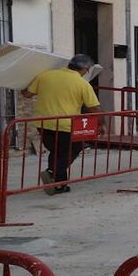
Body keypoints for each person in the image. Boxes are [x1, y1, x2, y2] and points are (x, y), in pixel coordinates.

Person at [23, 54, 101, 195]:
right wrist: (102, 123)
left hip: (43, 123)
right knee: (72, 149)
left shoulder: (45, 76)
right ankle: (52, 173)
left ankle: (60, 185)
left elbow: (27, 94)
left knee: (56, 150)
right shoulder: (82, 83)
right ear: (85, 69)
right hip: (65, 124)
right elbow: (93, 108)